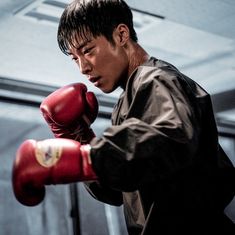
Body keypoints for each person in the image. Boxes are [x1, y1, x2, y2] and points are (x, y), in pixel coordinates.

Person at [12, 0, 235, 234]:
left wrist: (86, 157)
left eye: (88, 50)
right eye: (74, 58)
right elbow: (119, 191)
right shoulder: (126, 102)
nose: (82, 68)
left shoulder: (156, 79)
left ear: (120, 34)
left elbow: (173, 137)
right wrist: (80, 138)